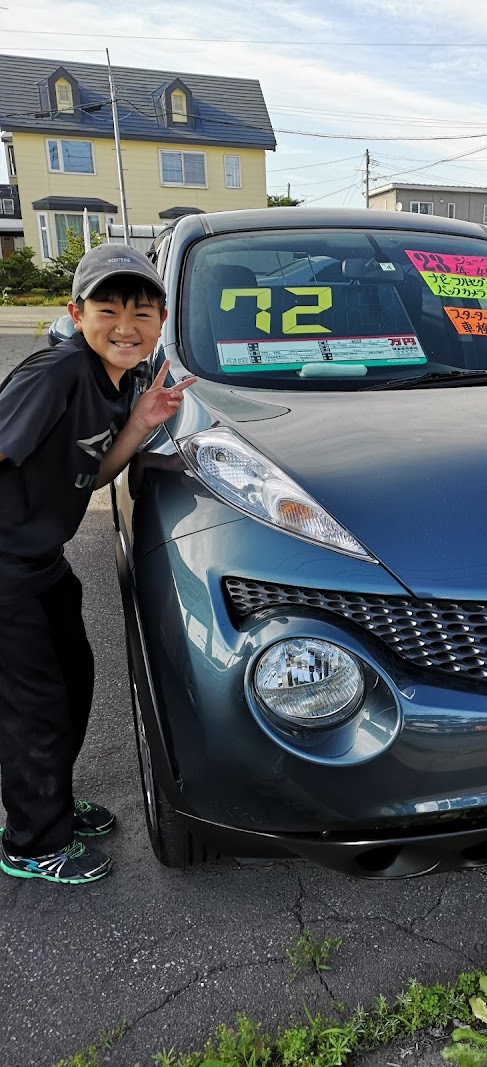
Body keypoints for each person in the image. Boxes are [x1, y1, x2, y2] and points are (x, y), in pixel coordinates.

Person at [0, 243, 195, 884]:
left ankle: (48, 802)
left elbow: (92, 473)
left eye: (142, 311)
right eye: (107, 309)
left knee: (74, 681)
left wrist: (140, 422)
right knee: (34, 707)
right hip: (5, 569)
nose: (125, 326)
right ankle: (31, 841)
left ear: (162, 320)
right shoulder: (54, 375)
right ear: (75, 313)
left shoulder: (119, 382)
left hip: (39, 562)